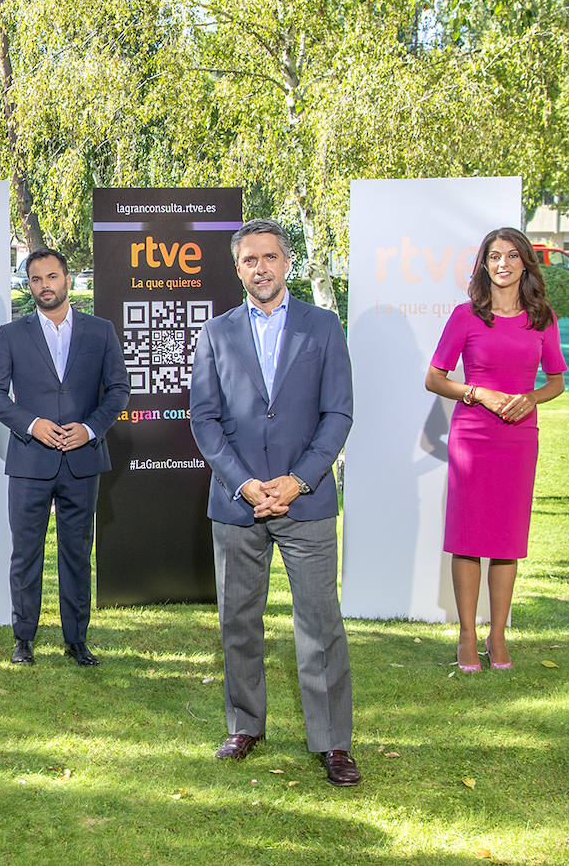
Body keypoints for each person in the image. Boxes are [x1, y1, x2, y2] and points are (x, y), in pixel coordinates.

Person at [189, 218, 359, 786]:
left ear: (286, 263)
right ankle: (245, 725)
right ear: (237, 270)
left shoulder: (324, 326)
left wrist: (298, 481)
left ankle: (333, 741)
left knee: (320, 622)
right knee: (238, 621)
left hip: (304, 502)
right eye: (249, 260)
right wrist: (244, 484)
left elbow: (338, 414)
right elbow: (206, 421)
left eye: (269, 257)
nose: (260, 268)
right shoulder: (215, 334)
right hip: (238, 503)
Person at [424, 227, 566, 673]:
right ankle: (467, 636)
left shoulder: (543, 318)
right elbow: (435, 378)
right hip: (473, 438)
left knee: (506, 540)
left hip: (518, 439)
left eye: (510, 256)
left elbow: (557, 381)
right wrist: (478, 394)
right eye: (493, 256)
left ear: (525, 263)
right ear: (484, 265)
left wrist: (532, 398)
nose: (502, 264)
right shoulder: (466, 316)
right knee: (468, 538)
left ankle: (497, 636)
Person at [0, 248, 128, 667]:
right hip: (29, 461)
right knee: (25, 553)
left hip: (83, 460)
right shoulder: (11, 335)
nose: (45, 286)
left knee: (77, 552)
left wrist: (90, 429)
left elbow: (118, 389)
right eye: (36, 280)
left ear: (67, 279)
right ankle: (23, 638)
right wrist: (31, 424)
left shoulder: (100, 332)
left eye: (51, 277)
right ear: (30, 286)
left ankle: (76, 639)